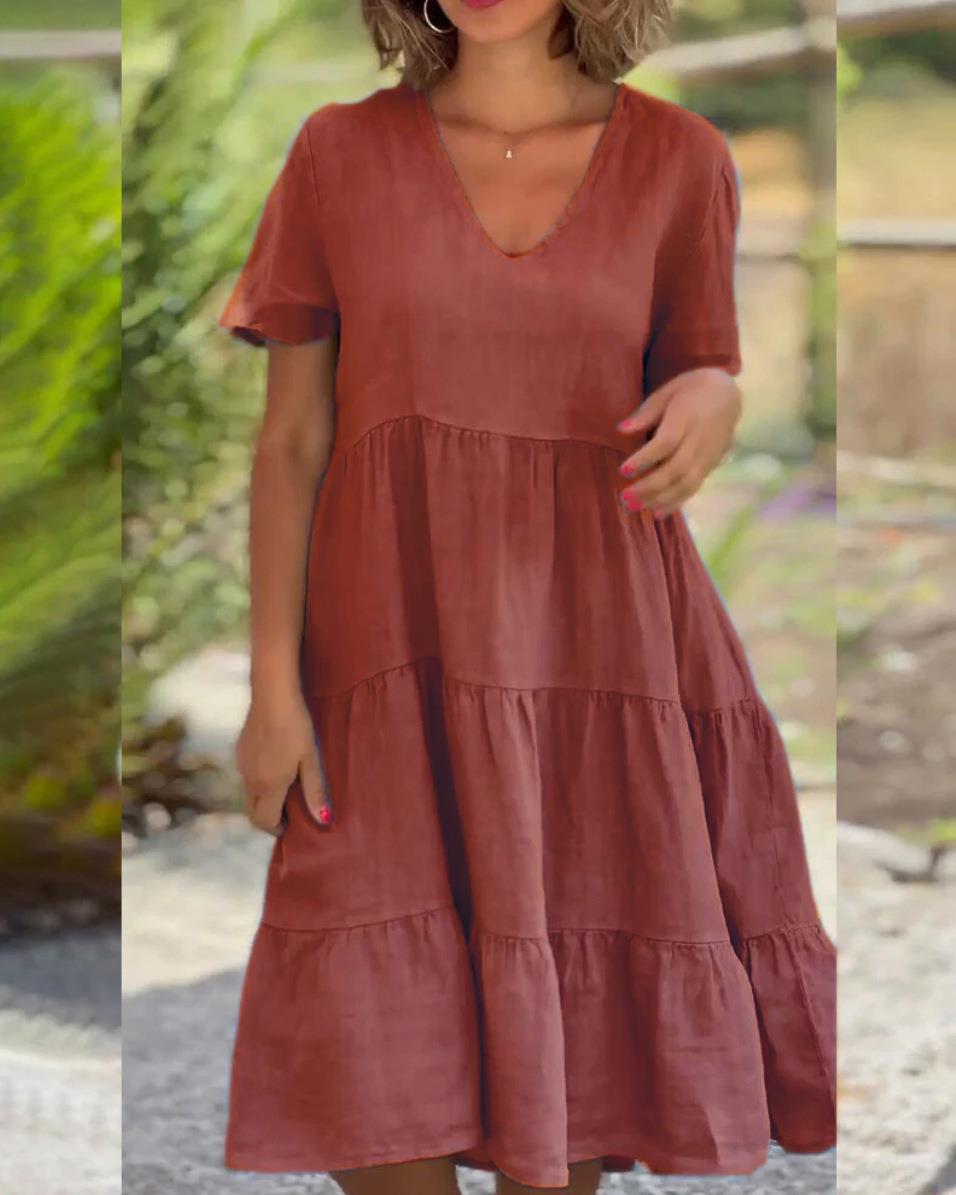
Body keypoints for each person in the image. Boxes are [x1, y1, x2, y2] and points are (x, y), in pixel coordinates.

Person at [216, 0, 837, 1191]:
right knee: (365, 1047)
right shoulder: (337, 153)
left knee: (576, 1054)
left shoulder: (680, 159)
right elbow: (291, 442)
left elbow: (697, 363)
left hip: (599, 652)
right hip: (386, 645)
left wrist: (716, 391)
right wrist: (272, 689)